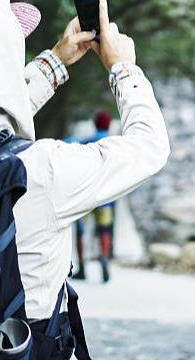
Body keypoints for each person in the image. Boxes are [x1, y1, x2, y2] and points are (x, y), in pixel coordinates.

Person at [0, 0, 169, 359]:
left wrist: (55, 62)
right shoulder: (42, 169)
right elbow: (150, 146)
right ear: (0, 67)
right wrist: (122, 67)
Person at [70, 111, 117, 283]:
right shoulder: (114, 143)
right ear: (109, 124)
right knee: (105, 230)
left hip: (85, 195)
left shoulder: (86, 142)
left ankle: (82, 267)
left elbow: (68, 146)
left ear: (95, 124)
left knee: (81, 231)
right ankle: (104, 259)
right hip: (106, 196)